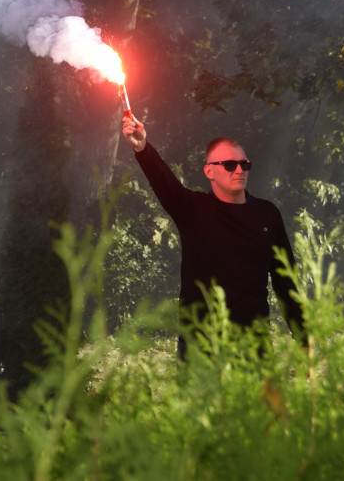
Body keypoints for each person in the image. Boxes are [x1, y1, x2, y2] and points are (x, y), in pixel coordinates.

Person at [121, 114, 305, 359]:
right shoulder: (193, 209)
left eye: (244, 164)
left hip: (254, 344)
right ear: (209, 171)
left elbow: (286, 280)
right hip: (200, 344)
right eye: (229, 165)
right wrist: (143, 148)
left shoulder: (267, 214)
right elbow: (164, 181)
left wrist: (303, 338)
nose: (239, 170)